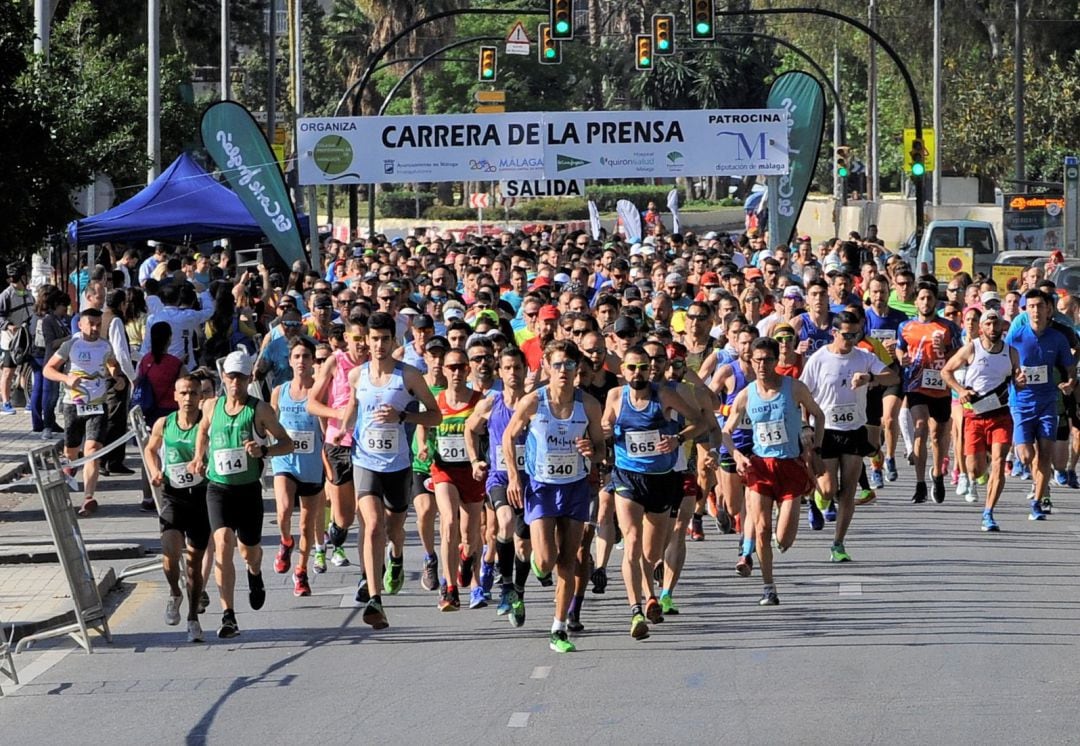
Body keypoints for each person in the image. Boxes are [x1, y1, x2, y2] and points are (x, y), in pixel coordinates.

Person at [337, 312, 441, 629]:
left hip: (398, 464)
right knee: (371, 526)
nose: (379, 345)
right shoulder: (357, 376)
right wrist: (342, 430)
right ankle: (374, 596)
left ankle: (395, 557)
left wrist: (404, 417)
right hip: (364, 460)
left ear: (392, 341)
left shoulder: (408, 376)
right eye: (374, 339)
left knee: (395, 528)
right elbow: (353, 407)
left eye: (385, 339)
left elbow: (434, 415)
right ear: (366, 341)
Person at [502, 340, 606, 653]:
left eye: (569, 365)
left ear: (578, 369)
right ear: (547, 366)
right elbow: (509, 436)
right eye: (557, 365)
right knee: (546, 560)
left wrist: (593, 451)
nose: (563, 371)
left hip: (575, 486)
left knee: (570, 560)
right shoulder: (534, 402)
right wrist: (512, 477)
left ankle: (558, 628)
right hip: (542, 486)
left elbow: (600, 447)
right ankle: (536, 562)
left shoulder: (588, 405)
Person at [602, 343, 704, 640]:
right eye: (632, 367)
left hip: (661, 479)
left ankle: (651, 595)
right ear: (623, 370)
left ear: (651, 370)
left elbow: (698, 421)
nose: (638, 373)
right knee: (632, 541)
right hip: (627, 478)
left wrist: (676, 438)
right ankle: (636, 610)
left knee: (651, 552)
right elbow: (605, 424)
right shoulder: (615, 396)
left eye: (643, 367)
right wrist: (605, 430)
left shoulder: (664, 395)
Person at [190, 350, 294, 639]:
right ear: (223, 378)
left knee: (249, 551)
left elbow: (287, 443)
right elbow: (202, 431)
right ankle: (228, 615)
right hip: (218, 487)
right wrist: (200, 456)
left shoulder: (260, 410)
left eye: (240, 377)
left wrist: (263, 451)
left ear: (249, 379)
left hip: (248, 490)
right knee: (222, 541)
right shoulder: (212, 406)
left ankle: (255, 573)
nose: (235, 382)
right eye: (230, 377)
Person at [722, 337, 825, 606]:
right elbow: (726, 431)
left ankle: (787, 519)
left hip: (790, 466)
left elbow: (819, 414)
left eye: (768, 359)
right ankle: (768, 587)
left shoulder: (794, 388)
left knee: (784, 539)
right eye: (757, 360)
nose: (762, 365)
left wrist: (816, 447)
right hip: (760, 466)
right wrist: (736, 454)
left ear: (776, 360)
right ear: (751, 361)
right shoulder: (746, 394)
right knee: (762, 528)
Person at [799, 312, 897, 561]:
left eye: (856, 334)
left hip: (854, 430)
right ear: (834, 333)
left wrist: (871, 377)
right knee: (829, 489)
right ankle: (819, 497)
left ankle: (838, 543)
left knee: (849, 491)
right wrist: (805, 424)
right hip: (826, 430)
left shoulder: (864, 357)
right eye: (846, 335)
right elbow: (803, 393)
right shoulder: (819, 359)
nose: (852, 339)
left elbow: (894, 376)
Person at [417, 347, 487, 611]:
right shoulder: (436, 401)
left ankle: (466, 558)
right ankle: (449, 589)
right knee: (448, 523)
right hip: (443, 469)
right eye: (451, 367)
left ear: (468, 369)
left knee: (470, 536)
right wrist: (423, 445)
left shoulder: (479, 401)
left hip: (472, 473)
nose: (456, 372)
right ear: (443, 370)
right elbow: (423, 425)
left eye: (461, 367)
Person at [465, 347, 531, 626]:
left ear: (525, 370)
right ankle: (505, 585)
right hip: (500, 479)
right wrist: (475, 461)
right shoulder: (491, 403)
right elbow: (469, 428)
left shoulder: (535, 403)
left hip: (532, 481)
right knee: (503, 522)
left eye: (517, 367)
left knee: (525, 549)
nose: (513, 373)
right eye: (508, 368)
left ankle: (518, 590)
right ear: (499, 372)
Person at [143, 374, 211, 643]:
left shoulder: (206, 425)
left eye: (193, 393)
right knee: (170, 550)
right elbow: (150, 449)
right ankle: (175, 592)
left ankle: (193, 618)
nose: (188, 398)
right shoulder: (164, 423)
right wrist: (155, 471)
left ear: (199, 397)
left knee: (194, 563)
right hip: (173, 495)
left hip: (201, 498)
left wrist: (205, 464)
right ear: (175, 396)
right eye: (183, 393)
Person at [941, 308, 1021, 531]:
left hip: (1000, 416)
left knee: (998, 462)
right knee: (975, 470)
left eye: (996, 324)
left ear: (1002, 326)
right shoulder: (971, 348)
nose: (993, 329)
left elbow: (1018, 378)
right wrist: (960, 390)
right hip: (975, 415)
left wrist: (1021, 380)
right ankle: (978, 468)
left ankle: (989, 512)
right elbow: (946, 372)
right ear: (981, 327)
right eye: (988, 324)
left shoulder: (1012, 352)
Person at [42, 308, 124, 517]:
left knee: (93, 451)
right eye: (91, 324)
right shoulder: (71, 345)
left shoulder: (105, 345)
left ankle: (88, 497)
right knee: (71, 452)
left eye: (98, 324)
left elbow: (112, 363)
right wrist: (66, 379)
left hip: (98, 404)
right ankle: (71, 464)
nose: (95, 328)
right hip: (73, 404)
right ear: (81, 324)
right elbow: (48, 369)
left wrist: (116, 375)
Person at [1005, 290, 1076, 520]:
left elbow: (1069, 367)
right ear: (1026, 310)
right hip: (1021, 403)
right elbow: (1003, 365)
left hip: (1048, 403)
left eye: (1040, 306)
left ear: (1049, 309)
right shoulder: (1015, 337)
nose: (1036, 311)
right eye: (1032, 306)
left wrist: (1069, 383)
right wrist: (1014, 377)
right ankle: (1029, 469)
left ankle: (1038, 501)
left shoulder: (1058, 338)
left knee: (1045, 454)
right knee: (1027, 455)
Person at [306, 316, 367, 572]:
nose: (362, 344)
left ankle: (369, 571)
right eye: (357, 339)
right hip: (338, 442)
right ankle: (337, 529)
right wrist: (338, 414)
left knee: (369, 510)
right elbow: (312, 403)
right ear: (346, 339)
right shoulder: (336, 362)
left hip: (369, 443)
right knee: (345, 515)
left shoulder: (377, 365)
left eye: (366, 338)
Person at [896, 282, 961, 504]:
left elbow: (958, 352)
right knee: (920, 426)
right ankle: (920, 483)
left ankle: (937, 474)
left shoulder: (948, 327)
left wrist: (945, 352)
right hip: (916, 384)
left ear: (935, 301)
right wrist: (900, 357)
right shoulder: (905, 326)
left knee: (937, 435)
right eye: (922, 298)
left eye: (929, 298)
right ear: (916, 302)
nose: (925, 302)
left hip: (940, 387)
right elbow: (900, 347)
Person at [270, 338, 325, 597]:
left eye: (306, 356)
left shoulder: (319, 391)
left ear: (313, 361)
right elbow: (268, 422)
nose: (301, 361)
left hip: (312, 467)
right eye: (297, 356)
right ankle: (285, 541)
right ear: (289, 361)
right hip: (285, 461)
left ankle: (301, 572)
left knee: (307, 525)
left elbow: (327, 431)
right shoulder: (279, 391)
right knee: (283, 510)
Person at [0, 261, 34, 414]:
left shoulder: (29, 294)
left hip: (26, 338)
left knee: (27, 370)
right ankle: (6, 402)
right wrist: (8, 326)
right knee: (8, 371)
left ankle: (28, 400)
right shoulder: (6, 296)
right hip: (11, 341)